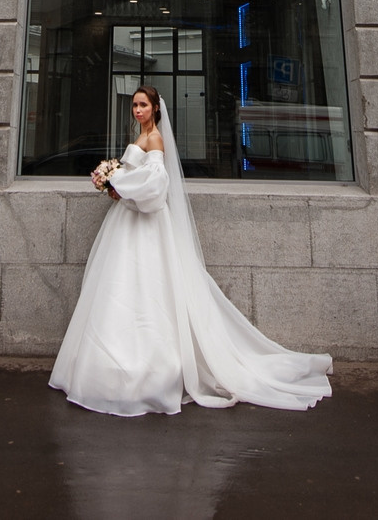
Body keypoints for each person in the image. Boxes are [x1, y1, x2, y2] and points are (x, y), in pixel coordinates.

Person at [50, 84, 334, 417]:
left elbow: (157, 185)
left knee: (148, 291)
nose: (137, 110)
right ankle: (108, 365)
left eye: (143, 105)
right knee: (119, 289)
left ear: (156, 109)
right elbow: (137, 177)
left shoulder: (155, 138)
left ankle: (150, 369)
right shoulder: (142, 136)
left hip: (145, 225)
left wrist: (119, 185)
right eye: (134, 105)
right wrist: (114, 181)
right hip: (125, 222)